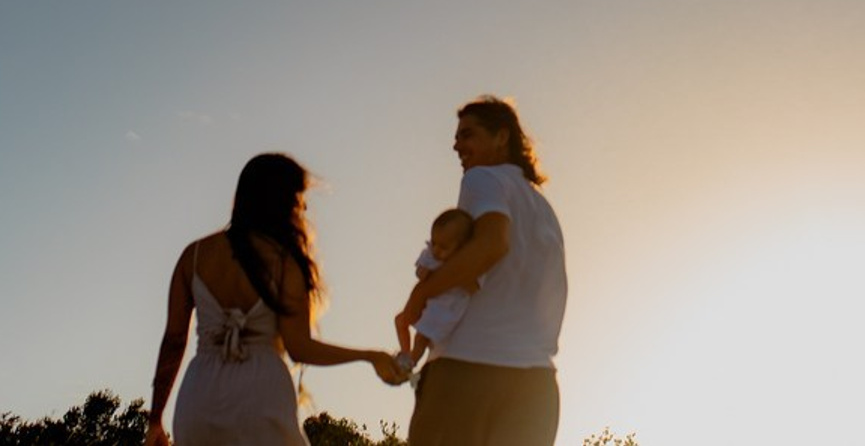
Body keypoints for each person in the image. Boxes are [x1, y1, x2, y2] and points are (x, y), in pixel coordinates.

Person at [145, 153, 403, 446]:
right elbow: (300, 348)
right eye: (298, 196)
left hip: (198, 399)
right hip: (261, 396)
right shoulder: (285, 261)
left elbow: (174, 340)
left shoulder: (194, 255)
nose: (303, 206)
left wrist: (155, 419)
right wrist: (369, 356)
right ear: (280, 200)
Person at [404, 97, 567, 446]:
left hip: (468, 368)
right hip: (536, 385)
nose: (456, 145)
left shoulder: (483, 179)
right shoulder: (544, 208)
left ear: (501, 137)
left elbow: (493, 243)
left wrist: (422, 292)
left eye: (468, 135)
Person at [393, 207, 476, 377]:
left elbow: (472, 287)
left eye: (444, 247)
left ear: (461, 248)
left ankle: (412, 361)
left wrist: (453, 274)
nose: (437, 250)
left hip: (443, 309)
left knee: (421, 337)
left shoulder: (462, 264)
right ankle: (405, 353)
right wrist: (423, 271)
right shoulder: (431, 254)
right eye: (434, 243)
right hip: (425, 304)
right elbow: (419, 271)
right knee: (400, 320)